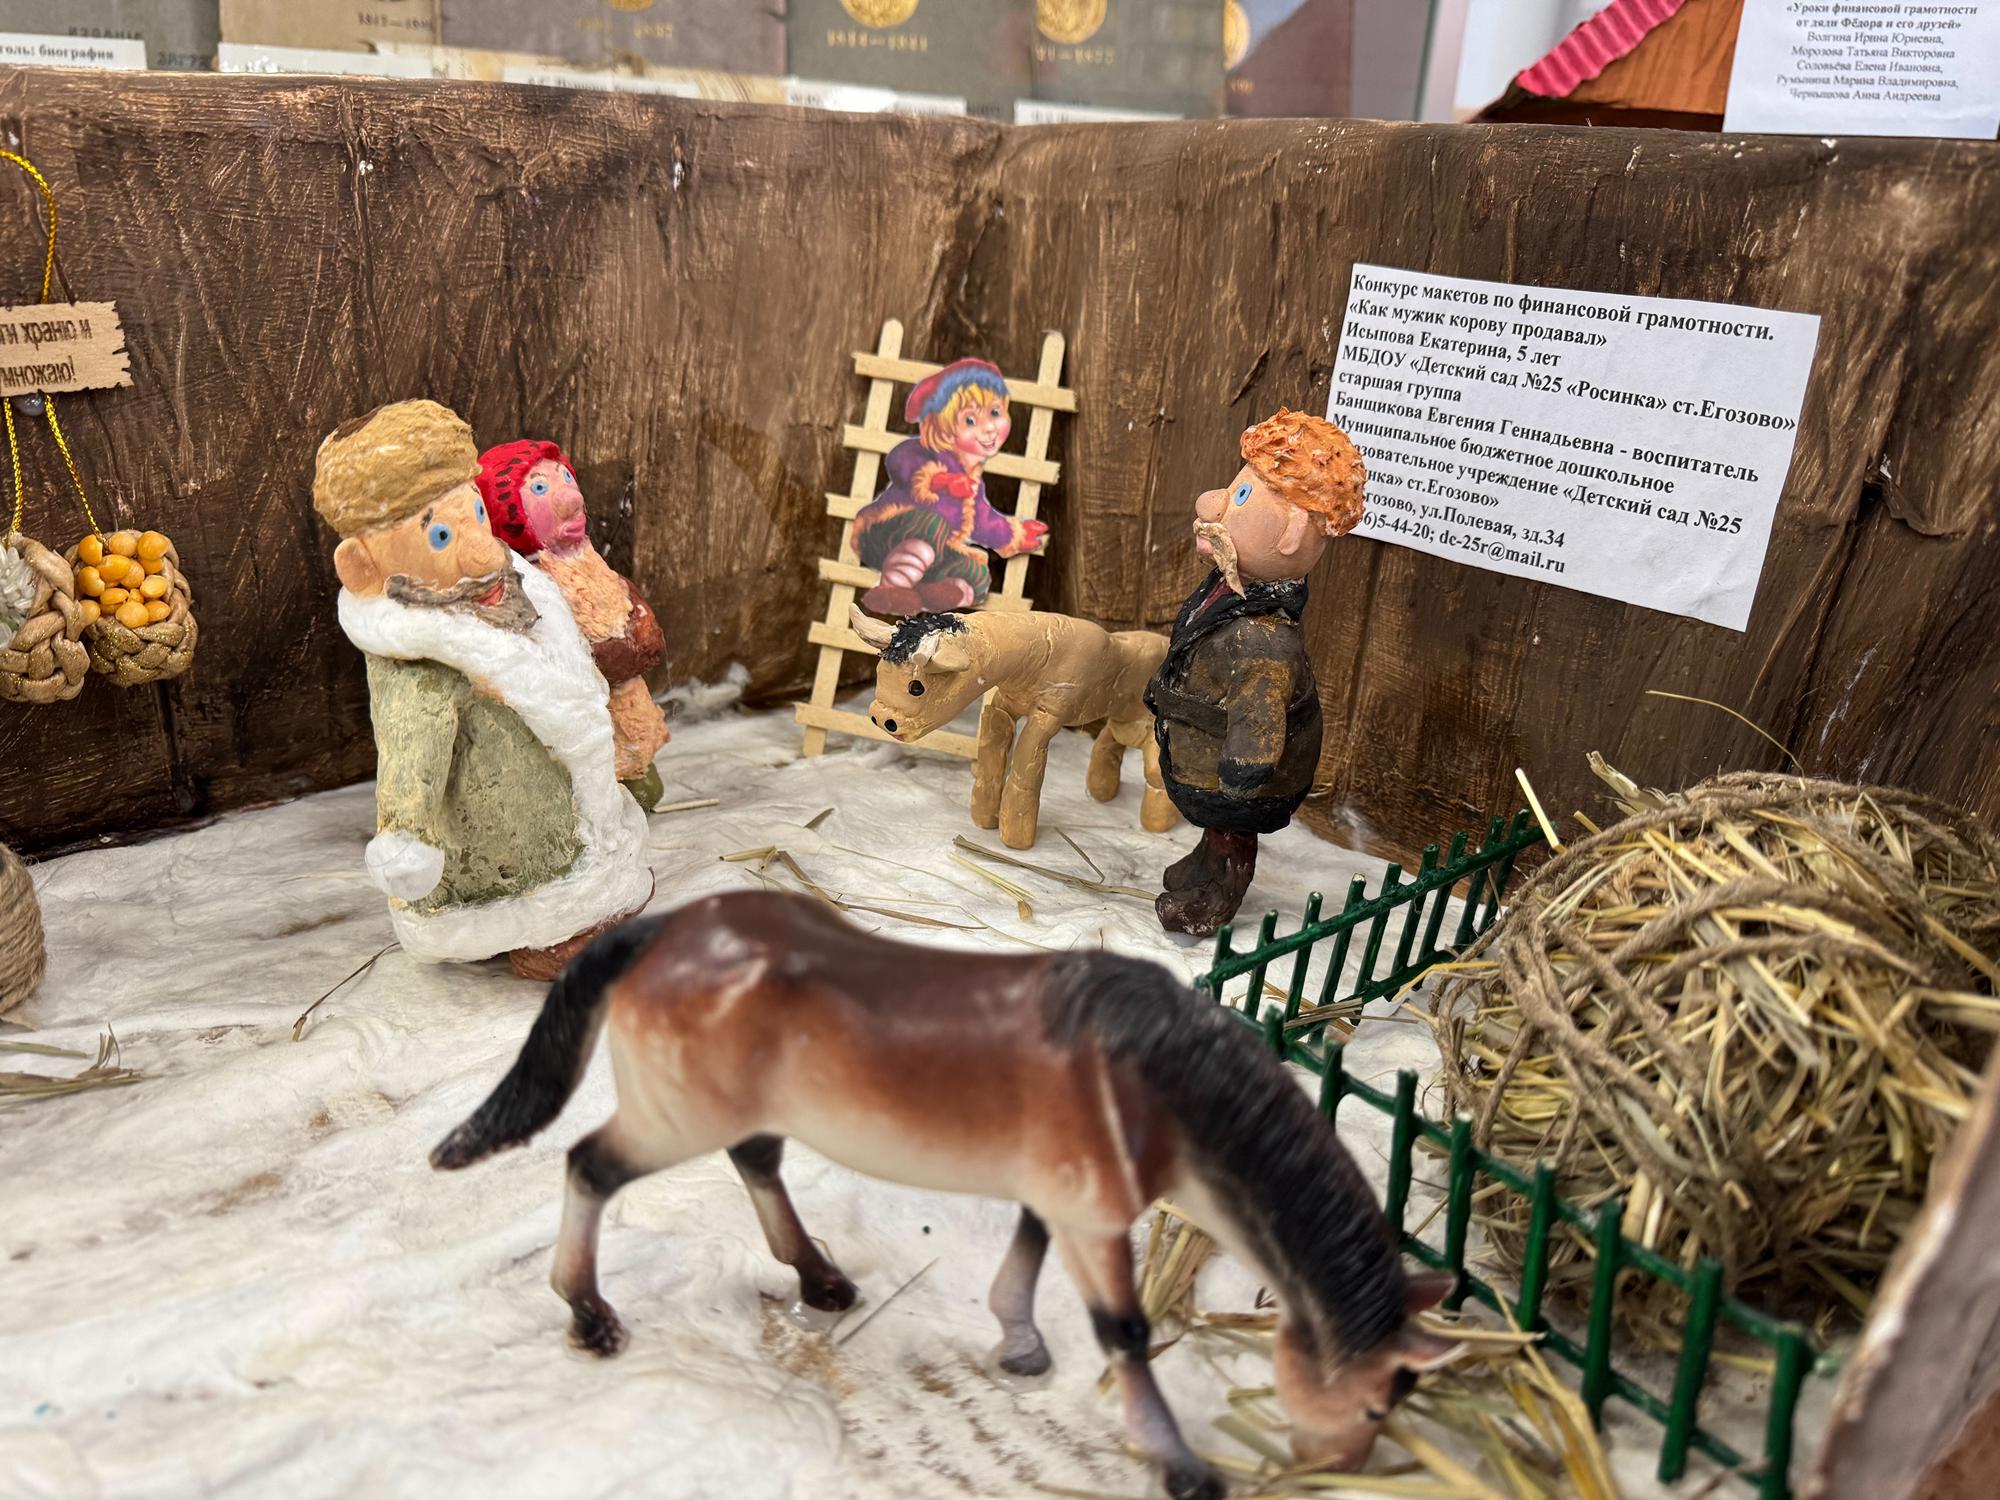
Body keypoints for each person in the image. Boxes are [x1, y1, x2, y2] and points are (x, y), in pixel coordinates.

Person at [313, 400, 652, 979]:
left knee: (580, 849)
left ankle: (588, 891)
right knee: (534, 877)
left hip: (561, 801)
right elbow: (411, 751)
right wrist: (407, 834)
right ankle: (537, 928)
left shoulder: (510, 586)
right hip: (503, 835)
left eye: (474, 510)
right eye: (442, 534)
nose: (480, 546)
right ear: (362, 566)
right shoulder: (421, 656)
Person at [1146, 408, 1367, 937]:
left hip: (1233, 772)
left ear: (1291, 535)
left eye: (1241, 495)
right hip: (1204, 751)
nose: (1211, 503)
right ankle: (1207, 857)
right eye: (1234, 486)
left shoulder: (1264, 638)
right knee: (1217, 824)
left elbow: (1259, 714)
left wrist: (1244, 771)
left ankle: (1218, 891)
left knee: (1232, 824)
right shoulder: (1232, 593)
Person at [475, 439, 671, 811]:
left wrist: (641, 626)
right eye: (539, 488)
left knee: (641, 772)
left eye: (565, 477)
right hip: (580, 719)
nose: (571, 497)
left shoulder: (587, 559)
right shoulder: (530, 584)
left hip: (627, 702)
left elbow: (622, 596)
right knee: (598, 775)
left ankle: (633, 790)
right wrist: (610, 658)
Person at [851, 358, 1047, 616]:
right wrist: (939, 480)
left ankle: (931, 593)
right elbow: (900, 462)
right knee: (931, 525)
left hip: (929, 556)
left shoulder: (972, 481)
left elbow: (982, 521)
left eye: (995, 413)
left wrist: (1014, 535)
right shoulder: (924, 452)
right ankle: (891, 589)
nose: (989, 428)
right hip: (885, 534)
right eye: (970, 420)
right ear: (942, 429)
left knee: (977, 572)